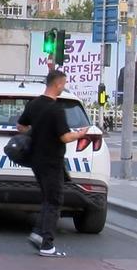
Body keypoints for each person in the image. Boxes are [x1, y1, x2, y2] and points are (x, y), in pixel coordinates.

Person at [17, 70, 90, 257]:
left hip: (36, 159)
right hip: (52, 161)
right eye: (63, 84)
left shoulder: (34, 104)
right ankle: (47, 244)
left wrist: (35, 132)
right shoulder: (56, 109)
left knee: (47, 198)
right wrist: (80, 134)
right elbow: (65, 137)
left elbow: (21, 126)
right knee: (55, 201)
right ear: (58, 84)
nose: (64, 87)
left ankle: (38, 234)